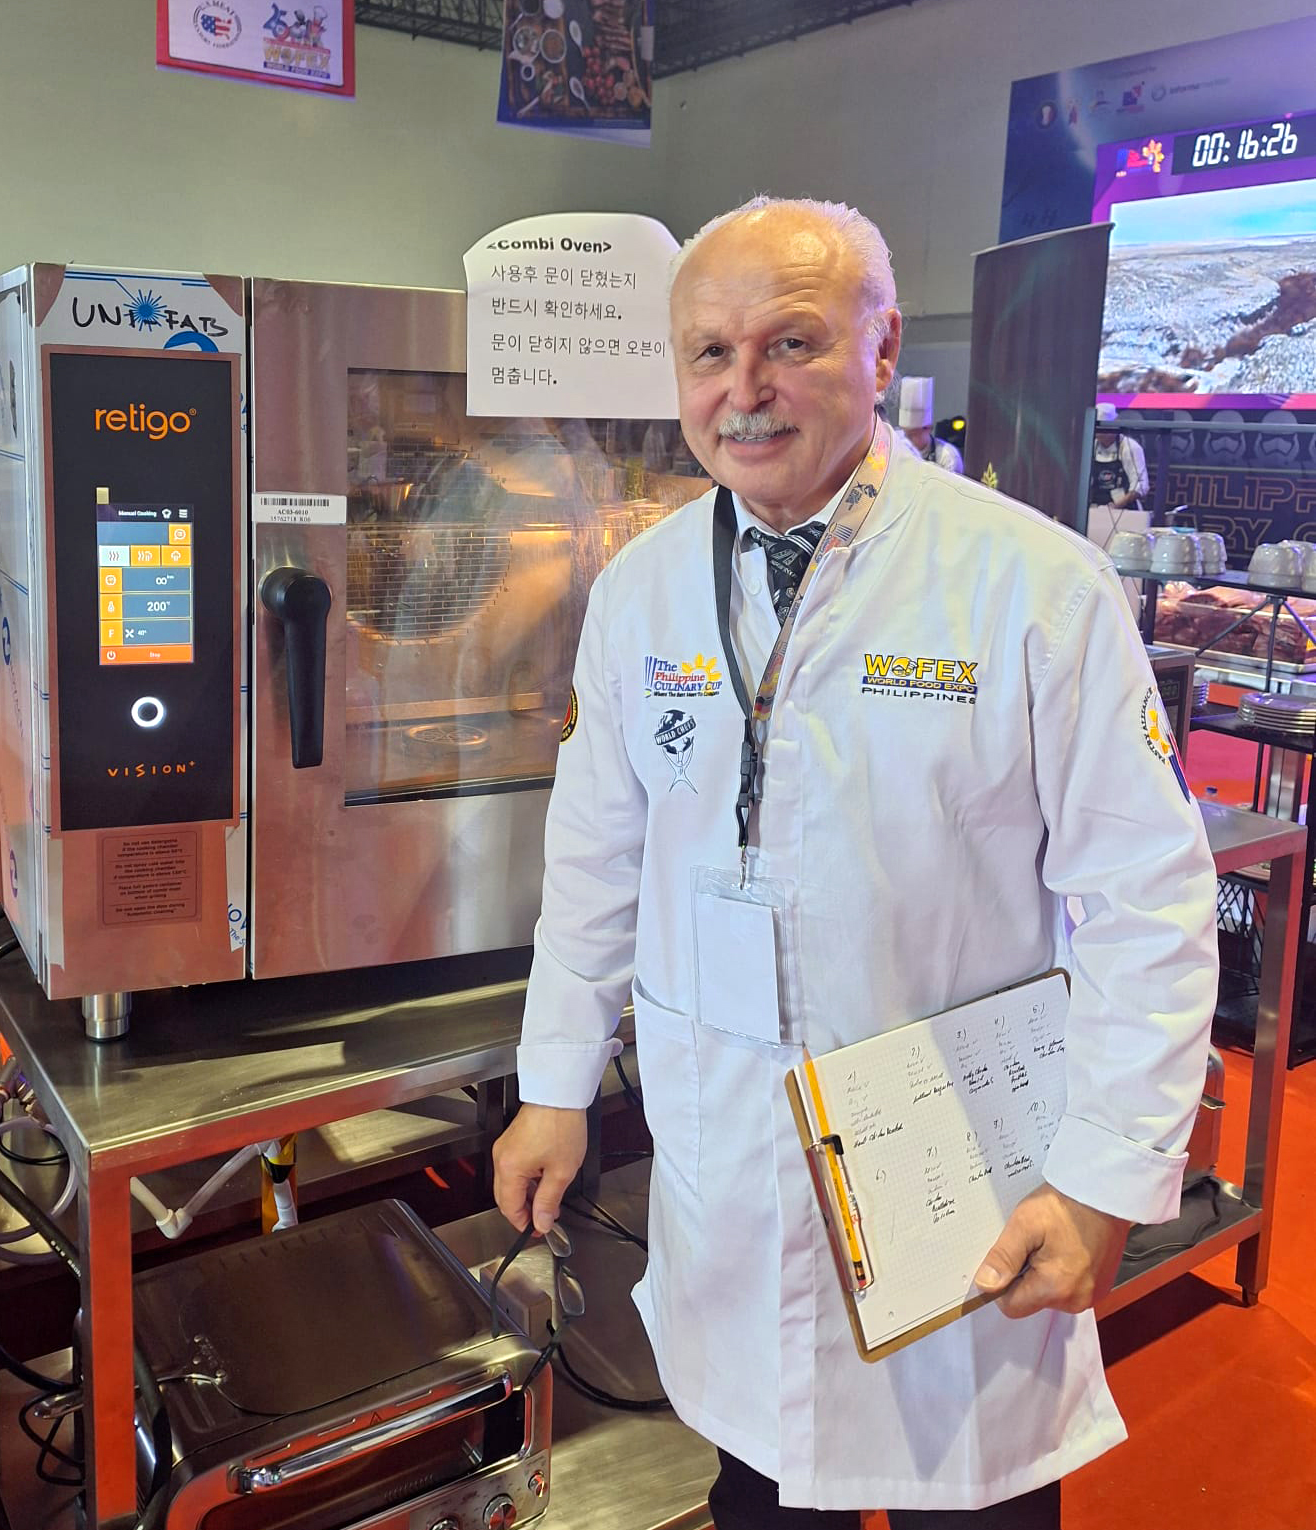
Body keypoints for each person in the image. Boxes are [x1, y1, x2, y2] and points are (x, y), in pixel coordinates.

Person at [492, 196, 1217, 1528]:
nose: (744, 389)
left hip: (957, 1170)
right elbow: (596, 858)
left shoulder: (1029, 585)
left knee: (970, 1499)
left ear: (881, 352)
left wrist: (1104, 1171)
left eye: (791, 343)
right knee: (758, 1488)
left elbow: (1148, 903)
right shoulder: (643, 590)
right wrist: (554, 1084)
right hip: (728, 1158)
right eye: (710, 354)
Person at [1089, 402, 1149, 516]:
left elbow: (1141, 485)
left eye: (1104, 429)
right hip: (1096, 511)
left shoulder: (1130, 447)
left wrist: (1116, 506)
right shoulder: (1091, 446)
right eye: (1098, 430)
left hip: (1126, 512)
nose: (1100, 433)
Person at [896, 375, 963, 473]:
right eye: (905, 434)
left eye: (911, 435)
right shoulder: (895, 442)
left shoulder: (948, 456)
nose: (906, 441)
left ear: (928, 429)